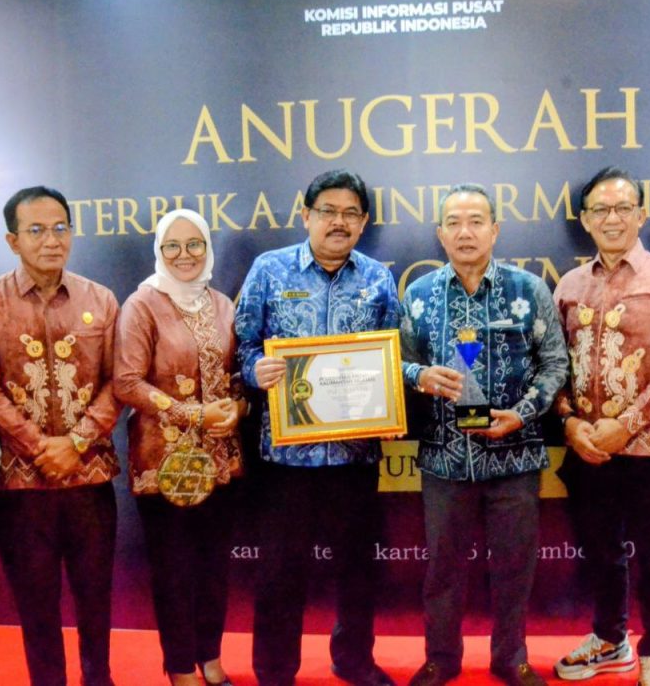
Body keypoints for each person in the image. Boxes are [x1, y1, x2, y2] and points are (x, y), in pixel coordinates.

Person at [234, 169, 400, 686]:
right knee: (280, 572)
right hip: (286, 457)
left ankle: (354, 660)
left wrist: (390, 405)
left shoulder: (378, 278)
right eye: (328, 211)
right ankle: (274, 670)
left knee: (358, 568)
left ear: (364, 222)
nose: (339, 222)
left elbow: (391, 355)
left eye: (351, 213)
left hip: (354, 455)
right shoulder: (269, 269)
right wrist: (255, 370)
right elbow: (241, 347)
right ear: (306, 215)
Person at [400, 184, 569, 686]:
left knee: (515, 568)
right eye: (454, 222)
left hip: (514, 456)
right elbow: (397, 363)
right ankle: (441, 658)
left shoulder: (528, 290)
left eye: (476, 221)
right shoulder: (419, 295)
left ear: (495, 230)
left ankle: (510, 657)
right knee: (442, 569)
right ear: (440, 234)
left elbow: (555, 363)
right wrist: (420, 376)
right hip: (444, 460)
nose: (465, 231)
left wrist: (523, 413)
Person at [0, 186, 122, 686]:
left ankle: (99, 678)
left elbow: (118, 382)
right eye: (36, 230)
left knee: (96, 599)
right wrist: (39, 448)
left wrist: (76, 443)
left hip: (90, 479)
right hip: (21, 486)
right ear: (13, 241)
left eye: (59, 228)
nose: (51, 240)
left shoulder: (101, 299)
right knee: (36, 607)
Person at [551, 167, 650, 686]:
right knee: (599, 552)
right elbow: (554, 363)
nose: (611, 218)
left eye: (622, 208)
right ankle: (610, 640)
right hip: (588, 448)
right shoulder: (570, 284)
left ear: (640, 215)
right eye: (600, 209)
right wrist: (570, 423)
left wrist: (628, 424)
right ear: (585, 219)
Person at [114, 209, 245, 686]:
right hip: (164, 463)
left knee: (214, 566)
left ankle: (210, 656)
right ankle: (180, 665)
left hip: (220, 460)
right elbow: (127, 382)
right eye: (173, 245)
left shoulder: (222, 304)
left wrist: (237, 408)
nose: (184, 254)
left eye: (194, 244)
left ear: (207, 248)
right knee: (174, 570)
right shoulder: (143, 305)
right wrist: (192, 414)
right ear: (159, 251)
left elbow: (236, 374)